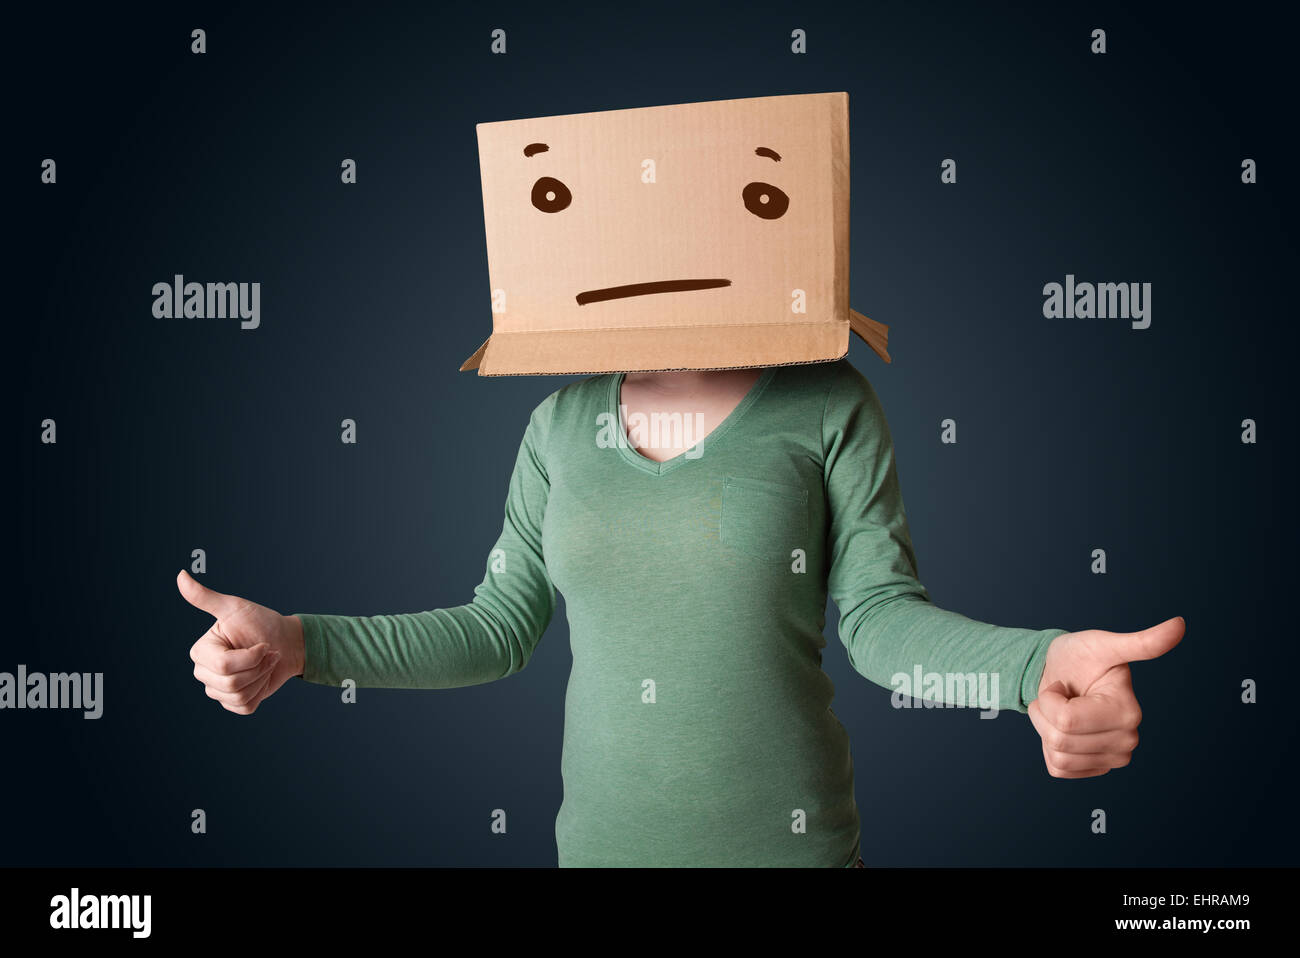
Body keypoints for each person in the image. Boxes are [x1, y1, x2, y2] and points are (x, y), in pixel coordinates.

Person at [177, 359, 1184, 867]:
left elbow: (878, 619)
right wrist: (305, 645)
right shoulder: (558, 423)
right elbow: (496, 626)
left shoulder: (829, 403)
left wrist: (1028, 667)